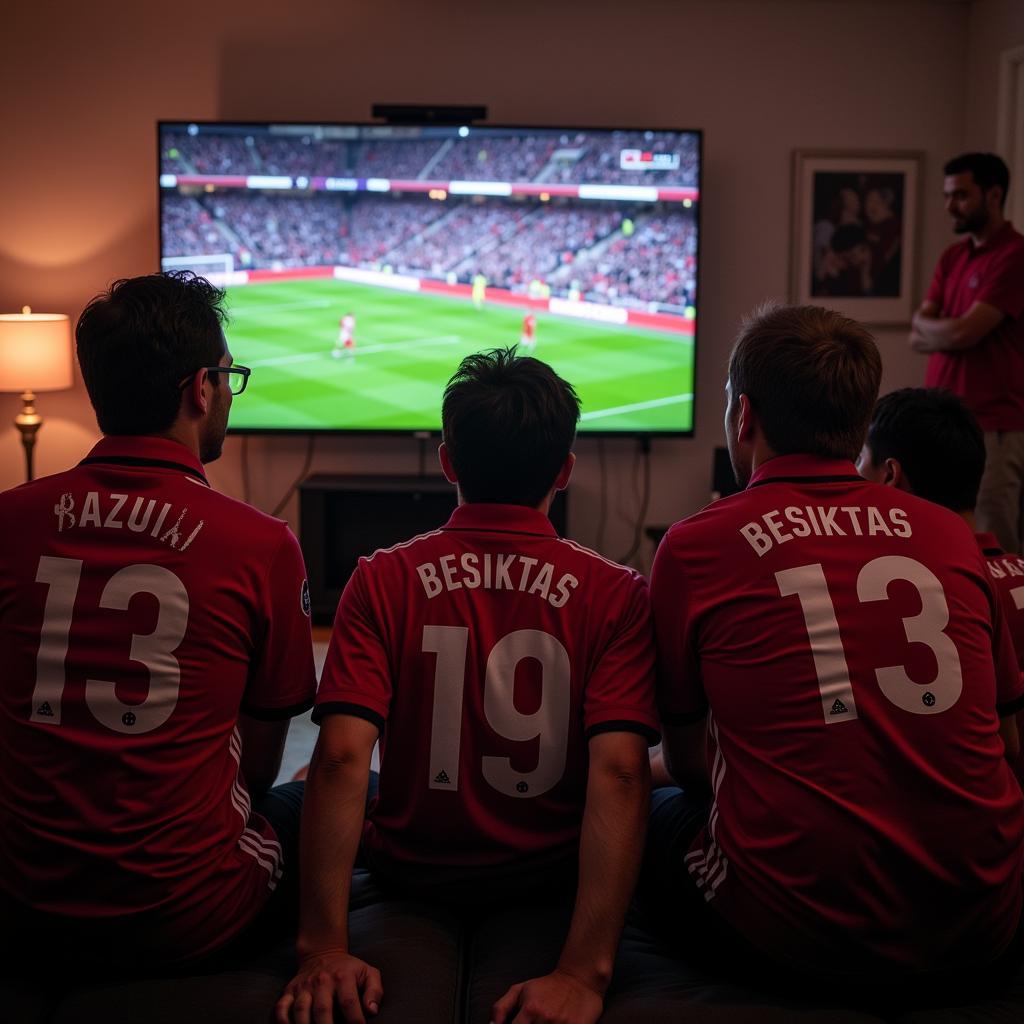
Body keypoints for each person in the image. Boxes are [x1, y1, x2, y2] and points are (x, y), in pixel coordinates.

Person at [646, 303, 1024, 997]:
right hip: (985, 922)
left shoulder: (696, 545)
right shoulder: (950, 535)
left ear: (744, 417)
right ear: (858, 425)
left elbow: (691, 760)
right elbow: (1004, 739)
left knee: (644, 809)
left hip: (793, 937)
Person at [277, 348, 657, 1024]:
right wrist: (583, 974)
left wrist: (322, 949)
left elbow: (340, 756)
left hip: (412, 867)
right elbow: (622, 773)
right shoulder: (618, 592)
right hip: (550, 872)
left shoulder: (380, 577)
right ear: (565, 471)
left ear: (448, 462)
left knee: (313, 771)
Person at [0, 271, 317, 973]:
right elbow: (261, 758)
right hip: (187, 915)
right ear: (199, 388)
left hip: (22, 904)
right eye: (230, 378)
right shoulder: (262, 545)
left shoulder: (9, 522)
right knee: (337, 786)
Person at [857, 386, 1024, 781]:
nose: (854, 474)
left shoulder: (906, 598)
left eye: (861, 458)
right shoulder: (1010, 569)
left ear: (890, 476)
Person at [910, 152, 1024, 553]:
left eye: (960, 195)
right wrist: (950, 332)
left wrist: (945, 331)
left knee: (995, 543)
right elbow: (917, 333)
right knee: (936, 538)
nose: (949, 206)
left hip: (994, 426)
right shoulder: (952, 257)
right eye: (946, 195)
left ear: (994, 195)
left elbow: (962, 333)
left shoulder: (1014, 256)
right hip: (944, 424)